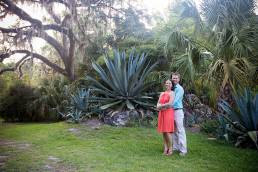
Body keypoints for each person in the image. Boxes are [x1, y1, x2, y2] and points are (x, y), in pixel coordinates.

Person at [171, 72, 187, 156]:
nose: (174, 79)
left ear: (179, 79)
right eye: (173, 78)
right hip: (171, 111)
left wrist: (165, 106)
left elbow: (175, 100)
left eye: (176, 78)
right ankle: (175, 147)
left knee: (180, 130)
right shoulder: (172, 88)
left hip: (178, 111)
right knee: (174, 130)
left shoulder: (180, 89)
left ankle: (183, 150)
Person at [157, 79, 175, 156]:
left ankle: (170, 149)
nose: (167, 84)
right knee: (164, 132)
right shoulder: (162, 93)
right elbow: (158, 103)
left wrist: (161, 106)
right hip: (162, 113)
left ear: (171, 85)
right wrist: (160, 106)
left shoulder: (172, 93)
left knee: (168, 131)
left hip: (168, 113)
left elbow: (170, 104)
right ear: (165, 84)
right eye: (166, 83)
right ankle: (165, 148)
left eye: (169, 83)